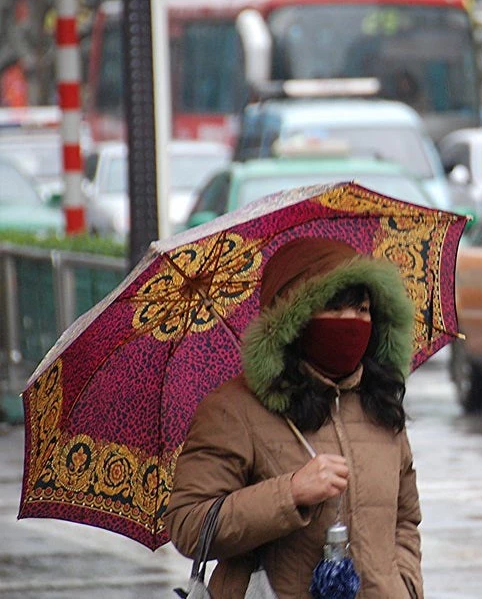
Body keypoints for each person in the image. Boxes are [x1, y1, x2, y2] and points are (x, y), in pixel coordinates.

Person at [166, 237, 424, 599]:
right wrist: (290, 493)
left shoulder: (378, 404)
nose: (352, 322)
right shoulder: (233, 409)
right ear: (293, 321)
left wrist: (405, 586)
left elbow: (405, 519)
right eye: (335, 309)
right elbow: (189, 525)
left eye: (363, 309)